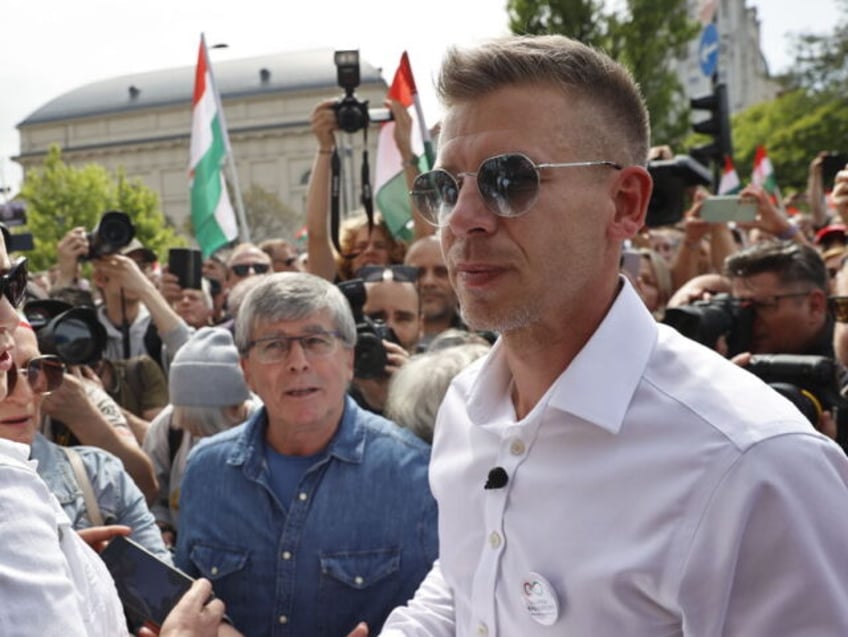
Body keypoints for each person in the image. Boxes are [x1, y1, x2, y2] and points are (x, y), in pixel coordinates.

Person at [348, 34, 848, 637]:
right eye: (445, 188)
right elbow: (467, 584)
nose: (461, 220)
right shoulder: (466, 407)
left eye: (509, 180)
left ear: (625, 203)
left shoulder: (756, 465)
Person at [176, 272, 437, 636]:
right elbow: (189, 603)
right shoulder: (206, 471)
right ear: (246, 371)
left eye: (316, 341)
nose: (297, 362)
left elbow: (452, 611)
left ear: (349, 359)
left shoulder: (417, 475)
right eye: (274, 345)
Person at [2, 321, 170, 561]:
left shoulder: (101, 477)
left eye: (35, 371)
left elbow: (167, 595)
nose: (24, 395)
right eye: (2, 374)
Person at [143, 326, 256, 547]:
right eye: (192, 428)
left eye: (207, 429)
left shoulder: (268, 428)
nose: (199, 438)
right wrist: (162, 525)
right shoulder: (167, 428)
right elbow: (154, 496)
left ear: (236, 408)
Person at [403, 236, 463, 349]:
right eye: (418, 273)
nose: (428, 282)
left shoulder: (489, 344)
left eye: (441, 272)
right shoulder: (381, 344)